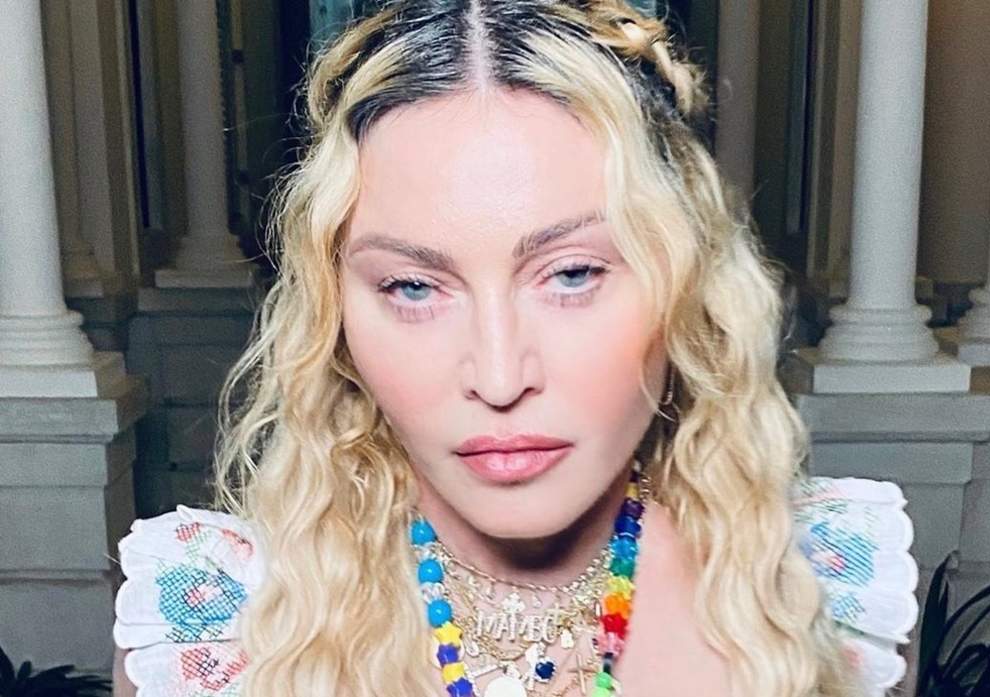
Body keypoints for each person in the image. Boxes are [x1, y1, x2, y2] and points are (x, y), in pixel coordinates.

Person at [111, 1, 919, 695]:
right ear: (335, 318)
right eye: (413, 287)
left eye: (571, 274)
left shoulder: (821, 597)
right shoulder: (208, 632)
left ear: (687, 283)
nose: (499, 377)